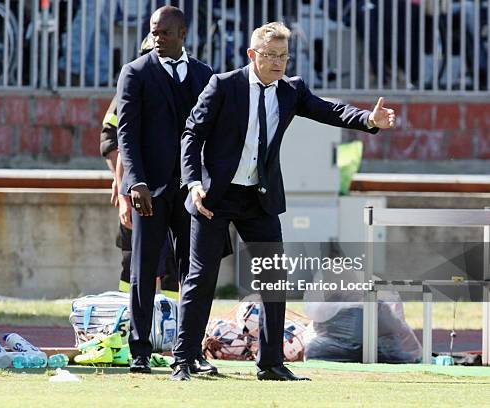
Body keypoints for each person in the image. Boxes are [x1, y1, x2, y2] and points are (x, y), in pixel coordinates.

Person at [171, 21, 395, 381]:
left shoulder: (291, 90)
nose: (277, 63)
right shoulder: (223, 85)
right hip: (214, 195)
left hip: (259, 197)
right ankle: (184, 359)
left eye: (283, 56)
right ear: (251, 54)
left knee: (274, 279)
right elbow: (192, 133)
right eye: (269, 55)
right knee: (202, 277)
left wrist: (368, 119)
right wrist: (193, 182)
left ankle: (271, 363)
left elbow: (329, 110)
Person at [116, 5, 214, 374]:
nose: (157, 38)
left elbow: (214, 134)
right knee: (143, 271)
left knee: (195, 272)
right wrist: (134, 182)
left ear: (182, 33)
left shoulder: (206, 74)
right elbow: (126, 133)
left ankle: (191, 352)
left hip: (192, 191)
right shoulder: (136, 73)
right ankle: (139, 351)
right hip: (150, 190)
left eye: (165, 32)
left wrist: (208, 183)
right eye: (154, 31)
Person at [100, 34, 179, 300]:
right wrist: (122, 183)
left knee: (173, 264)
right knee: (132, 259)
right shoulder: (132, 86)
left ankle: (172, 323)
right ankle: (127, 318)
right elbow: (112, 138)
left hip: (173, 190)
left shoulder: (187, 83)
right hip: (138, 191)